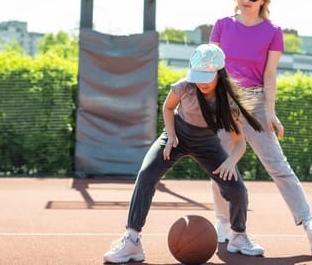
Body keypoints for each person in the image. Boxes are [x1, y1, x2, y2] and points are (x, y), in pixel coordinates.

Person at [103, 44, 265, 263]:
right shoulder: (183, 87)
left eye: (207, 77)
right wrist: (170, 136)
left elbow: (239, 143)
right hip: (177, 137)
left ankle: (238, 236)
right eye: (198, 76)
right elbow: (168, 108)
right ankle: (132, 240)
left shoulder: (228, 102)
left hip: (207, 143)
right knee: (146, 175)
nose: (202, 82)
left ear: (219, 73)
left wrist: (231, 160)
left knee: (237, 189)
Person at [209, 0, 312, 254]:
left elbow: (269, 74)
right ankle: (223, 223)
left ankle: (311, 226)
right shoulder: (221, 25)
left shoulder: (273, 31)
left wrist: (271, 111)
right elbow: (212, 67)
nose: (246, 0)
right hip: (223, 104)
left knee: (279, 166)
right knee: (220, 167)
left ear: (263, 0)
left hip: (255, 104)